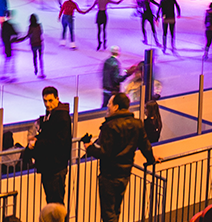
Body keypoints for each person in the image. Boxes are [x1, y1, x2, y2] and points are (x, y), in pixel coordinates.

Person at [82, 93, 157, 222]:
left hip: (109, 176)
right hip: (125, 174)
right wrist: (152, 160)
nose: (107, 106)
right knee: (116, 209)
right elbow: (145, 146)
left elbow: (104, 153)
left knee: (108, 213)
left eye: (109, 104)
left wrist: (89, 147)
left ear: (116, 107)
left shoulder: (109, 126)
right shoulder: (137, 124)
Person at [31, 87, 72, 204]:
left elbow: (58, 143)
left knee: (56, 205)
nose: (47, 104)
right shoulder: (51, 114)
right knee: (52, 203)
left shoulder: (61, 118)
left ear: (57, 99)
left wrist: (37, 143)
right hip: (50, 168)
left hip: (56, 169)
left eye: (50, 100)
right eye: (45, 101)